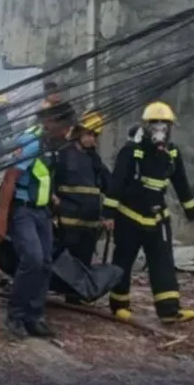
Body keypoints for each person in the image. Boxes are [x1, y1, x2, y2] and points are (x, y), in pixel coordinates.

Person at [103, 101, 194, 324]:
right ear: (146, 127)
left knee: (163, 262)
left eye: (164, 125)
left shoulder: (171, 152)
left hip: (157, 217)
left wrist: (190, 209)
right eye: (155, 125)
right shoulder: (131, 152)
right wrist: (108, 214)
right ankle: (119, 304)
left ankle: (168, 310)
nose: (160, 130)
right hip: (130, 215)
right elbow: (116, 183)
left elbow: (181, 182)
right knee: (123, 261)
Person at [0, 102, 76, 339]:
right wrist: (1, 219)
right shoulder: (30, 142)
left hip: (42, 211)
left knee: (46, 262)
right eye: (64, 127)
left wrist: (52, 197)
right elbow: (10, 180)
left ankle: (34, 316)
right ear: (50, 123)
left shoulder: (52, 144)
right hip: (23, 210)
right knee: (33, 259)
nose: (66, 132)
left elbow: (41, 176)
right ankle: (15, 315)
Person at [52, 110, 110, 303]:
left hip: (90, 222)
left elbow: (108, 185)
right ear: (79, 132)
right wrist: (53, 199)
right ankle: (67, 295)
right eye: (88, 134)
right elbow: (52, 180)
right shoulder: (64, 154)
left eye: (95, 135)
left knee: (84, 259)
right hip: (69, 219)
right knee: (68, 260)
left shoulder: (95, 159)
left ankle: (76, 296)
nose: (91, 139)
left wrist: (109, 214)